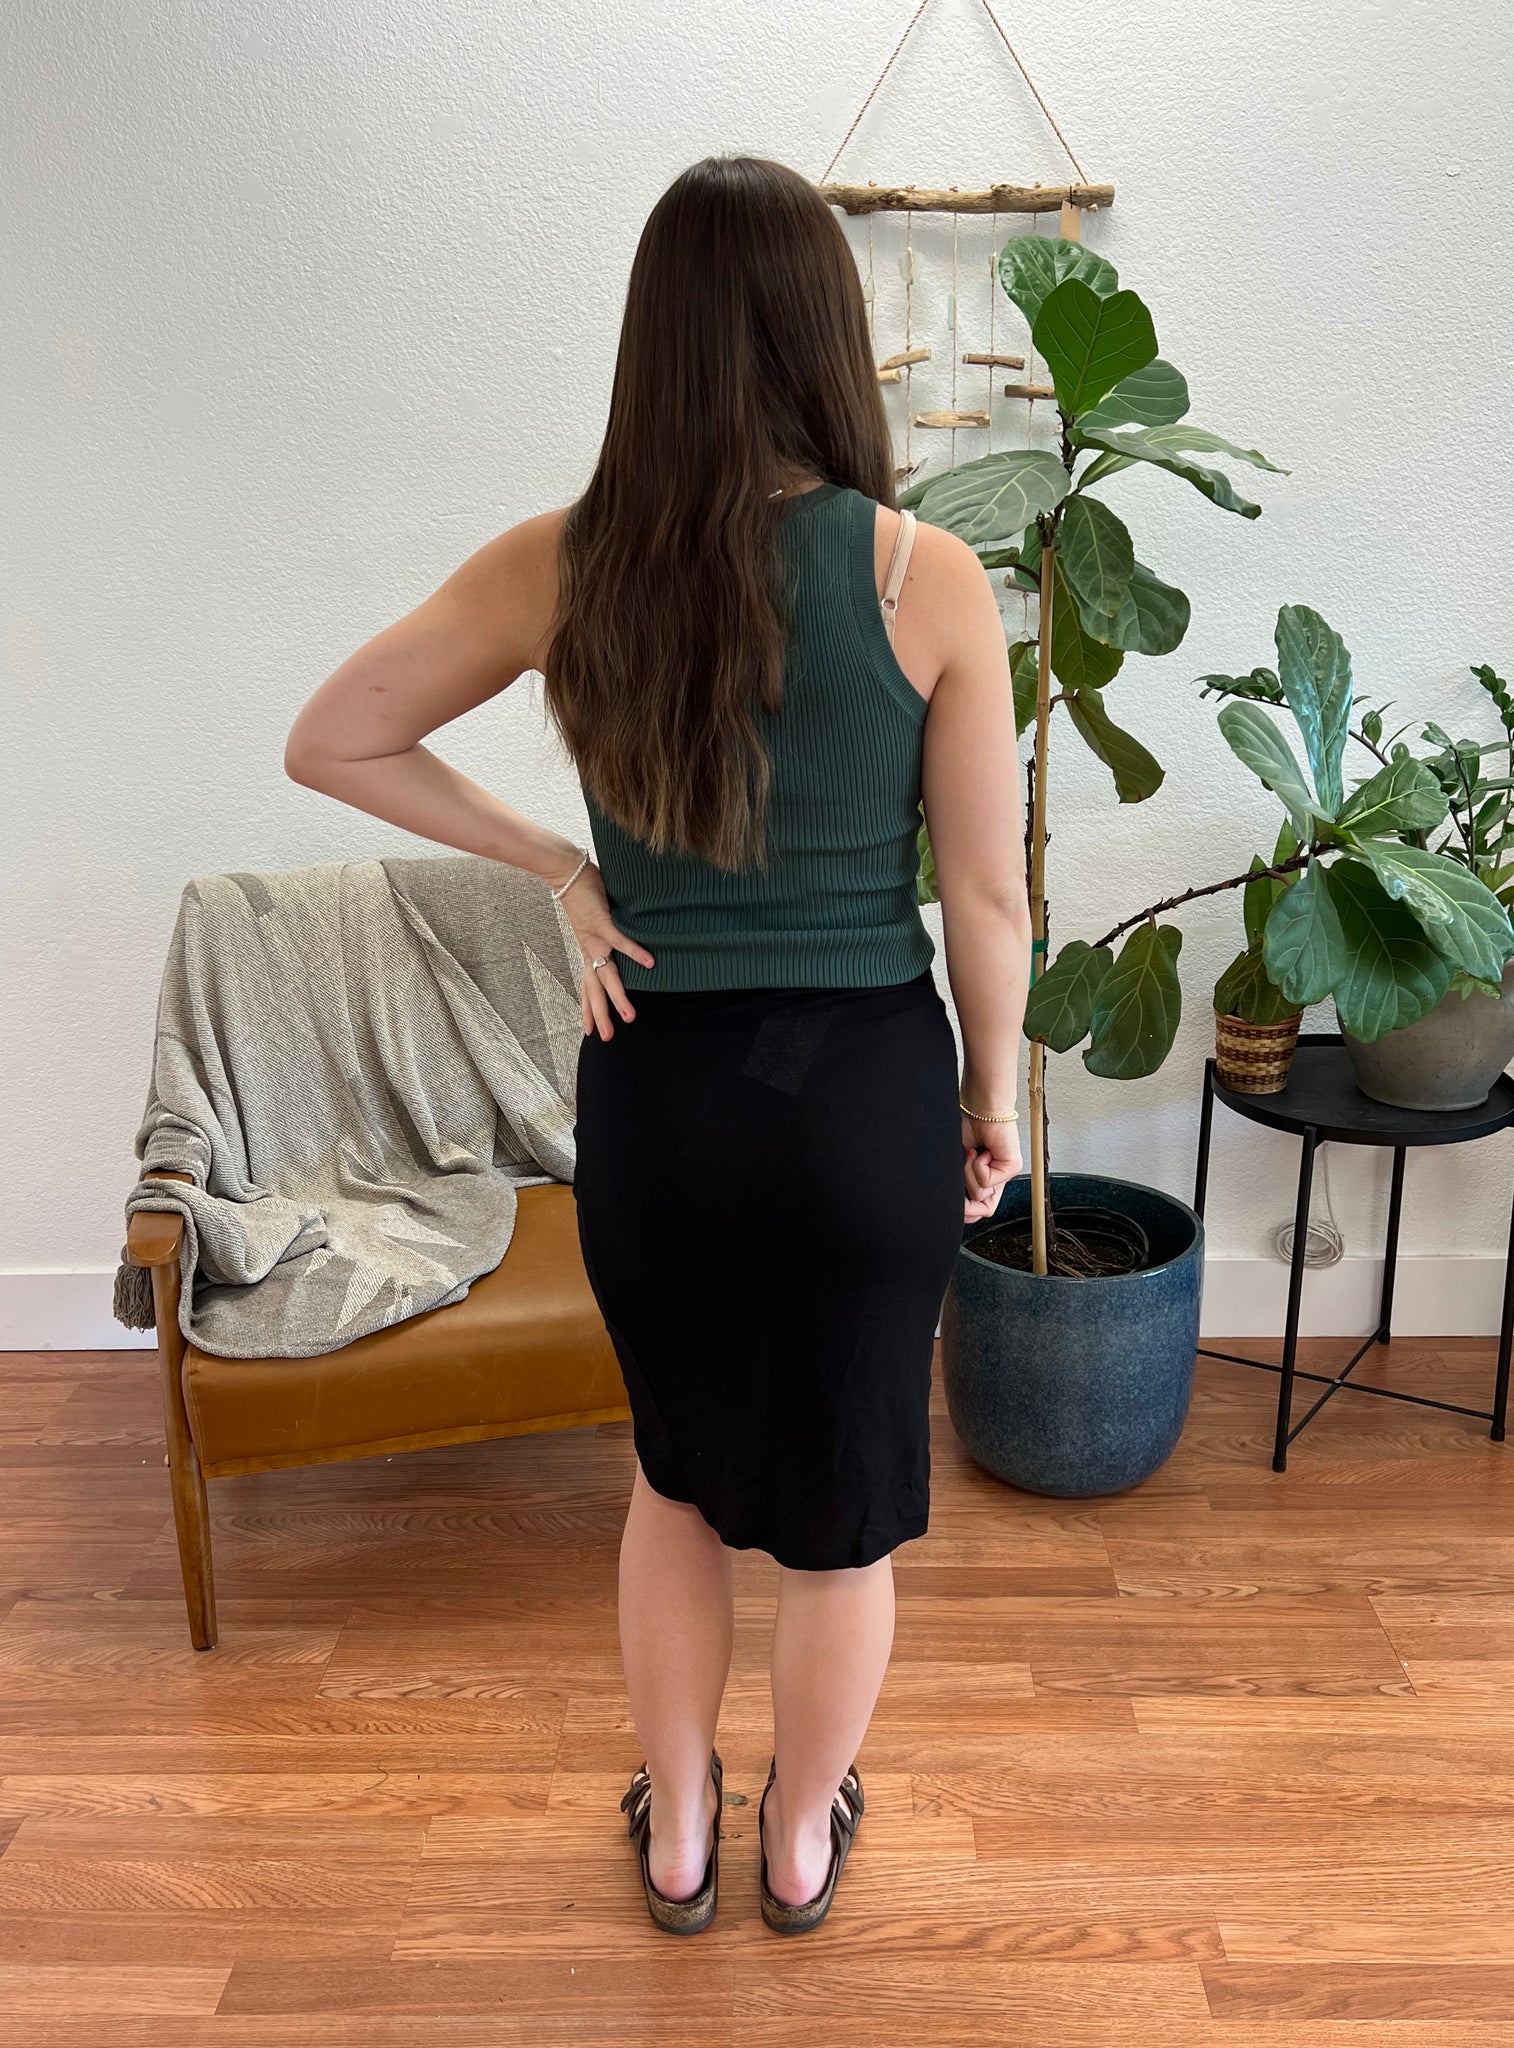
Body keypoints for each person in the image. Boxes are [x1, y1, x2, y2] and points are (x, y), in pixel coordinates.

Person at [284, 153, 1029, 1937]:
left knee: (672, 1481)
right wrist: (993, 1098)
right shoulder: (925, 575)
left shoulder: (565, 563)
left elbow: (336, 736)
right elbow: (989, 898)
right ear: (826, 334)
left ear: (657, 340)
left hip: (660, 1100)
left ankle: (681, 1833)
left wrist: (564, 868)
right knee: (845, 1512)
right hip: (860, 1098)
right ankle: (798, 1844)